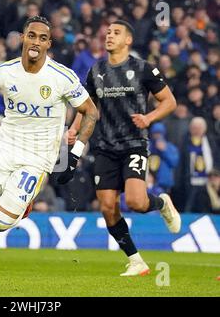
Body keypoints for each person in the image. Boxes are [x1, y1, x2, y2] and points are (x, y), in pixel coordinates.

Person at [0, 16, 97, 288]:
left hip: (37, 156)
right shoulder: (4, 71)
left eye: (42, 38)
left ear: (49, 44)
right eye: (32, 35)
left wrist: (75, 154)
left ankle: (23, 204)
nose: (36, 41)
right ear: (22, 38)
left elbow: (91, 111)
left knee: (0, 223)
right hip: (4, 146)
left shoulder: (62, 77)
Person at [67, 20, 180, 276]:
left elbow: (169, 101)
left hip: (134, 145)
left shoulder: (143, 69)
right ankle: (136, 261)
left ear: (128, 40)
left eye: (116, 33)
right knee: (107, 207)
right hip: (105, 147)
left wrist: (149, 118)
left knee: (136, 202)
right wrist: (74, 129)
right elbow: (88, 107)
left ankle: (161, 203)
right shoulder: (95, 71)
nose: (109, 36)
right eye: (107, 32)